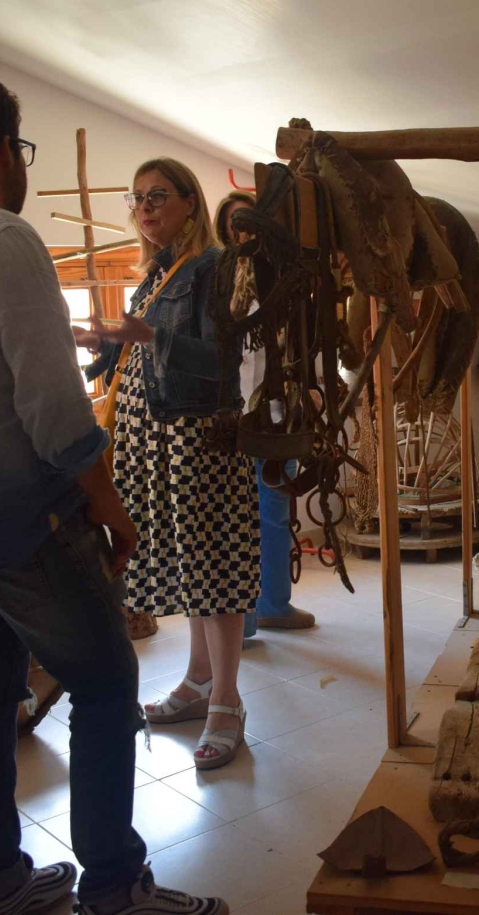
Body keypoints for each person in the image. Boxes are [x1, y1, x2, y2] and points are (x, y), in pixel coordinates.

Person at [0, 73, 224, 915]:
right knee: (105, 681)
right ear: (3, 150)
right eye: (19, 150)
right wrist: (111, 506)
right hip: (17, 513)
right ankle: (115, 887)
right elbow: (55, 412)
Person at [76, 159, 259, 770]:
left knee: (213, 567)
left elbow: (221, 362)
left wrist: (150, 338)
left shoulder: (211, 268)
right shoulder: (158, 272)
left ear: (189, 202)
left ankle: (227, 702)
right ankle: (198, 680)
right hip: (155, 440)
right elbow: (140, 354)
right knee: (189, 567)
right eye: (137, 199)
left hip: (195, 439)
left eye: (157, 196)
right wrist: (106, 346)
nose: (145, 209)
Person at [213, 192, 316, 635]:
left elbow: (303, 340)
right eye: (234, 223)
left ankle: (273, 603)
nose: (242, 231)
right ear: (224, 230)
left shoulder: (283, 278)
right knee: (236, 519)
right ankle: (246, 619)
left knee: (273, 512)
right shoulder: (219, 279)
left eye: (249, 222)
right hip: (233, 417)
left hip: (276, 414)